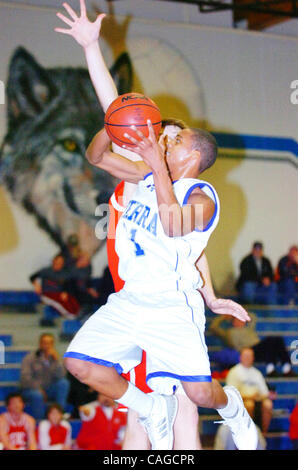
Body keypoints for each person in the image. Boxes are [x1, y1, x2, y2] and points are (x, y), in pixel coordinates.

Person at [56, 0, 257, 451]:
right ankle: (146, 407)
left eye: (172, 138)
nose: (161, 139)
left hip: (171, 304)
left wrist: (208, 297)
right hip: (129, 294)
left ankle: (230, 410)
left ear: (187, 155)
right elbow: (103, 136)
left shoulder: (200, 196)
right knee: (90, 370)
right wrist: (91, 49)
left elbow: (179, 233)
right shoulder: (143, 171)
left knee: (195, 396)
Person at [210, 312, 294, 377]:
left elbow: (253, 317)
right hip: (247, 351)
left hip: (259, 348)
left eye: (241, 319)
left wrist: (240, 313)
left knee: (277, 339)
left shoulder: (248, 328)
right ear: (233, 322)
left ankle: (286, 368)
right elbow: (213, 328)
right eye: (237, 319)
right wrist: (224, 317)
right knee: (271, 340)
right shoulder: (229, 332)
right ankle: (270, 369)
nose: (240, 321)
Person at [20, 333, 70, 420]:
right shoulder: (29, 358)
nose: (47, 345)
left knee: (64, 383)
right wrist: (38, 388)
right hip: (31, 389)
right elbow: (25, 378)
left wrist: (57, 361)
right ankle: (40, 421)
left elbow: (62, 375)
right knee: (37, 395)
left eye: (49, 343)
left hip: (48, 388)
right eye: (44, 342)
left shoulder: (55, 359)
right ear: (40, 344)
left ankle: (59, 415)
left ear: (52, 345)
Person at [225, 348, 273, 435]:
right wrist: (248, 397)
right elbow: (230, 394)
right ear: (240, 357)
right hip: (241, 401)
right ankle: (247, 434)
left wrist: (260, 396)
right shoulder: (233, 372)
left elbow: (264, 393)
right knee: (249, 404)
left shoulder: (257, 373)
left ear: (253, 358)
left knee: (268, 404)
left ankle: (263, 434)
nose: (247, 358)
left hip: (257, 400)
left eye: (249, 356)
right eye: (245, 356)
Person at [30, 254, 80, 326]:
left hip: (59, 293)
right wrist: (36, 285)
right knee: (60, 303)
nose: (58, 264)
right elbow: (32, 277)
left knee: (72, 300)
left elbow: (69, 284)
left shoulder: (65, 273)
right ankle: (69, 316)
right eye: (57, 262)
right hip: (47, 294)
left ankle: (76, 315)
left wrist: (65, 292)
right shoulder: (46, 271)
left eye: (61, 263)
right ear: (53, 261)